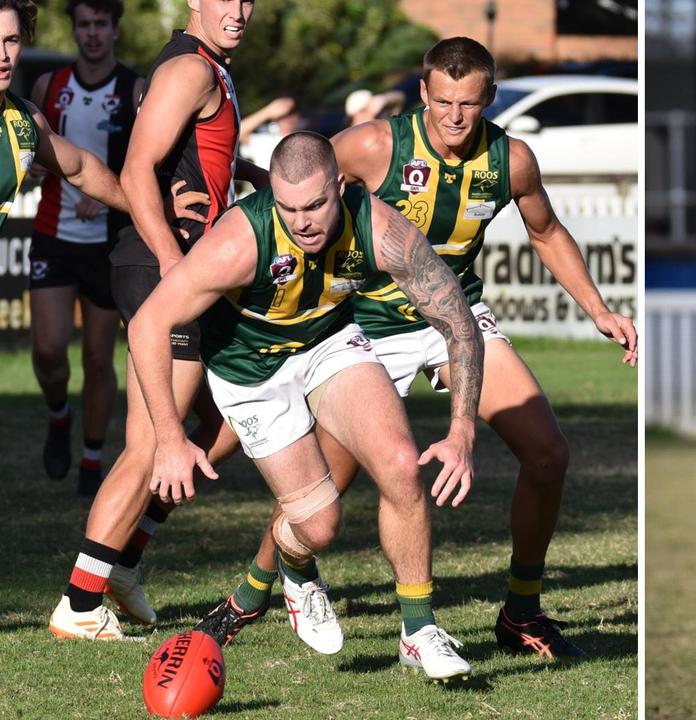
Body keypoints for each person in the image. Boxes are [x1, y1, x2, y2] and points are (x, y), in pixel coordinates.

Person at [194, 36, 638, 660]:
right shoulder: (377, 144)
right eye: (443, 101)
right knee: (326, 487)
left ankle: (521, 609)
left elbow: (546, 230)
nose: (455, 116)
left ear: (490, 98)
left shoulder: (510, 160)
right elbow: (296, 187)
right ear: (424, 93)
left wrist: (597, 309)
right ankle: (255, 589)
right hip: (365, 326)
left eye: (471, 102)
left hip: (456, 319)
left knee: (548, 452)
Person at [130, 131, 484, 680]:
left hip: (328, 343)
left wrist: (461, 430)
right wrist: (170, 438)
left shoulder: (382, 228)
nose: (304, 222)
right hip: (251, 373)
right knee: (319, 527)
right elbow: (149, 323)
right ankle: (297, 568)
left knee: (399, 465)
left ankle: (419, 630)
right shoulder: (238, 243)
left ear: (340, 188)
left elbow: (459, 320)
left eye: (316, 205)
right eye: (290, 208)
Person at [48, 0, 268, 640]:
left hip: (184, 273)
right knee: (151, 444)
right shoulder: (190, 71)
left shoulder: (210, 68)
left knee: (227, 421)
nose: (239, 9)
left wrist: (256, 175)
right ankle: (82, 602)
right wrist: (175, 265)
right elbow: (137, 170)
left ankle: (124, 560)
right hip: (161, 271)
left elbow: (195, 165)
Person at [27, 0, 141, 496]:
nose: (92, 33)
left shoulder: (134, 89)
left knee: (99, 359)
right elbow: (34, 150)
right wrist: (31, 165)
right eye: (84, 24)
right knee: (49, 350)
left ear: (115, 29)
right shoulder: (47, 87)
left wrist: (109, 193)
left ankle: (92, 458)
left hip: (108, 242)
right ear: (74, 30)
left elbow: (145, 159)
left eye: (101, 24)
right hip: (53, 233)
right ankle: (59, 415)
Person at [238, 95, 301, 171]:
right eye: (284, 114)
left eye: (292, 112)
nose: (289, 118)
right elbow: (239, 131)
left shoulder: (306, 137)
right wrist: (268, 111)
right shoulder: (264, 134)